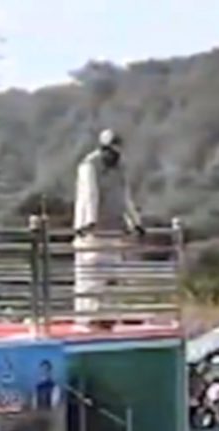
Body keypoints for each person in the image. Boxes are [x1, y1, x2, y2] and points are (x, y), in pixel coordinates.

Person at [72, 129, 145, 326]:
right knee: (90, 276)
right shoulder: (90, 165)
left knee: (112, 275)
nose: (114, 156)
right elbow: (90, 194)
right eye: (110, 151)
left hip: (113, 230)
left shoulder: (120, 168)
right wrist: (88, 222)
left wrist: (135, 222)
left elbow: (124, 196)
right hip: (92, 233)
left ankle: (108, 317)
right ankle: (88, 318)